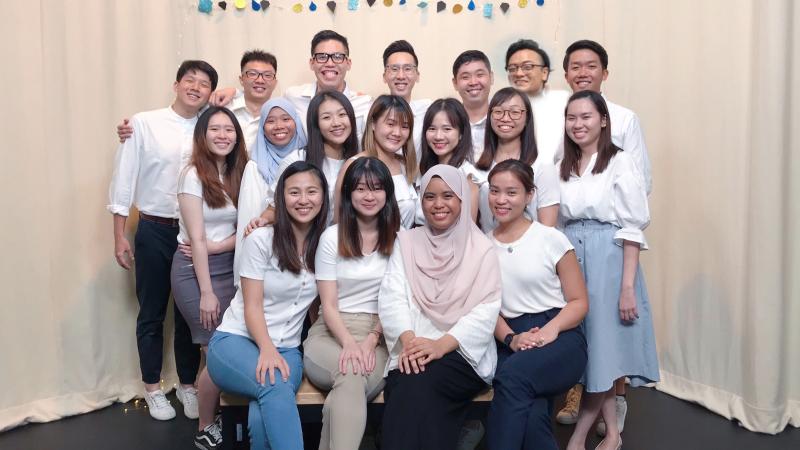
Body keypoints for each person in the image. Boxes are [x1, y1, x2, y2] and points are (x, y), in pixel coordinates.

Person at [108, 60, 217, 421]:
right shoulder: (143, 124)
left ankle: (187, 384)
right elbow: (124, 178)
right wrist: (119, 235)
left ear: (210, 92)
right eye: (190, 80)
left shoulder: (210, 126)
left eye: (204, 84)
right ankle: (153, 388)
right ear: (176, 84)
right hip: (153, 228)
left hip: (193, 233)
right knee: (152, 312)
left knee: (189, 313)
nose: (196, 87)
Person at [557, 39, 654, 431]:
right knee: (586, 341)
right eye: (572, 118)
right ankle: (607, 429)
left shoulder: (621, 153)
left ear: (603, 120)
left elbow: (632, 217)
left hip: (607, 254)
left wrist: (627, 285)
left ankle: (603, 423)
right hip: (571, 251)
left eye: (587, 117)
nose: (578, 124)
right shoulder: (564, 162)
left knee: (606, 344)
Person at [207, 161, 328, 450]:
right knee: (274, 385)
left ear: (323, 197)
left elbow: (316, 305)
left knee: (264, 411)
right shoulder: (261, 239)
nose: (303, 200)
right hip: (236, 341)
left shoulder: (324, 246)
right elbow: (252, 306)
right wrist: (267, 349)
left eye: (311, 191)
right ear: (281, 199)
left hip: (288, 349)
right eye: (294, 192)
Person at [378, 165, 501, 450]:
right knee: (410, 384)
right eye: (430, 197)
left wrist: (440, 345)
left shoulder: (481, 248)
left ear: (461, 199)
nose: (438, 204)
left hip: (461, 350)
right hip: (411, 345)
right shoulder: (407, 242)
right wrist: (410, 341)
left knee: (417, 386)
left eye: (448, 196)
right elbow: (392, 297)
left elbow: (486, 309)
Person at [483, 159, 588, 450]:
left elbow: (579, 302)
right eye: (494, 191)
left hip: (560, 335)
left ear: (529, 195)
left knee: (512, 378)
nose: (501, 200)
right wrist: (512, 338)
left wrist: (549, 331)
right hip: (510, 337)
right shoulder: (482, 246)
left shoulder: (551, 239)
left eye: (511, 192)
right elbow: (484, 307)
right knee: (530, 414)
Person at [303, 157, 400, 450]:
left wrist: (371, 340)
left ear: (387, 193)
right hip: (331, 332)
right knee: (351, 373)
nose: (369, 196)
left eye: (376, 188)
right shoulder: (331, 237)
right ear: (348, 193)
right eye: (360, 188)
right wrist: (348, 342)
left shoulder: (400, 240)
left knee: (348, 384)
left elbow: (398, 300)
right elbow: (328, 305)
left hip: (379, 337)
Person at [170, 106, 248, 449]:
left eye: (229, 129)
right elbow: (197, 239)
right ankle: (205, 426)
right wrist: (206, 292)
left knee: (225, 347)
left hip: (230, 266)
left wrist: (222, 246)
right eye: (214, 129)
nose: (223, 135)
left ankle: (221, 416)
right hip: (195, 271)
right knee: (214, 350)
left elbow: (246, 228)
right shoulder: (192, 175)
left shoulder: (239, 171)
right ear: (202, 135)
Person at [116, 50, 278, 152]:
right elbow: (182, 116)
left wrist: (234, 91)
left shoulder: (282, 117)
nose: (260, 80)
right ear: (241, 79)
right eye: (252, 74)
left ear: (275, 82)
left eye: (267, 75)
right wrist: (136, 130)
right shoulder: (217, 106)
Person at [235, 98, 307, 282]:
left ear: (296, 122)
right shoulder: (255, 167)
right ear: (262, 128)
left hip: (306, 254)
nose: (279, 126)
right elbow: (248, 221)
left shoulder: (308, 160)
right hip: (266, 258)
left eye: (286, 119)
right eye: (270, 121)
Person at [475, 87, 560, 230]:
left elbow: (548, 229)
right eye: (498, 112)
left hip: (531, 243)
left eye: (514, 112)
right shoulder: (477, 166)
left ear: (527, 118)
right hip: (487, 242)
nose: (505, 118)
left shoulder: (542, 165)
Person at [335, 95, 418, 229]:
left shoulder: (405, 165)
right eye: (390, 124)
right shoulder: (353, 165)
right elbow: (340, 221)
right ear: (373, 123)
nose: (397, 133)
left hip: (404, 241)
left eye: (404, 126)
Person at [285, 30, 372, 140]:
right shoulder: (293, 98)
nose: (330, 64)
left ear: (348, 63)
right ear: (312, 63)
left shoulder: (365, 103)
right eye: (322, 57)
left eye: (338, 57)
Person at [504, 39, 570, 165]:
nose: (519, 73)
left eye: (527, 67)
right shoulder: (500, 105)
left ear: (544, 73)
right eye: (512, 68)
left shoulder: (563, 101)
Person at [417, 98, 480, 223]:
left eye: (447, 129)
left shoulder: (467, 176)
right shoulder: (425, 170)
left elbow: (467, 228)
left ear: (461, 133)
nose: (438, 136)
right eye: (432, 129)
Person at [381, 40, 432, 156]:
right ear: (384, 76)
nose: (401, 76)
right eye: (394, 69)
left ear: (417, 75)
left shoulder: (428, 111)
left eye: (407, 69)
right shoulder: (373, 113)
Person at [451, 50, 494, 160]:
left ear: (491, 77)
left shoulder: (504, 120)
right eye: (465, 77)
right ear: (455, 83)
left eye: (480, 75)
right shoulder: (448, 122)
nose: (473, 82)